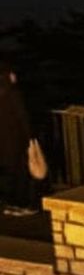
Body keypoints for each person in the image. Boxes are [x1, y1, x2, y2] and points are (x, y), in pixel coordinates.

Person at [0, 62, 35, 210]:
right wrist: (31, 137)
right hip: (16, 140)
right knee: (20, 171)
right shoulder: (14, 95)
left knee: (7, 171)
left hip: (3, 141)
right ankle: (20, 201)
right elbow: (23, 117)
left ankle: (8, 200)